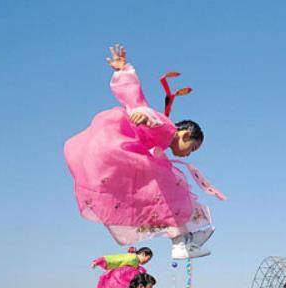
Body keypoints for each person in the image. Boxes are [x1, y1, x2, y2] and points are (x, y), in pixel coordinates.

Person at [64, 44, 224, 260]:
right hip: (118, 149)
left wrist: (121, 71)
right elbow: (146, 110)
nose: (188, 155)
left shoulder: (163, 142)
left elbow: (136, 101)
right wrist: (146, 116)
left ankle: (186, 238)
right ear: (185, 134)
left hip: (112, 153)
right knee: (175, 187)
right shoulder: (168, 129)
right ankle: (182, 242)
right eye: (192, 148)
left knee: (168, 193)